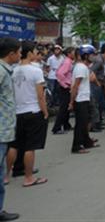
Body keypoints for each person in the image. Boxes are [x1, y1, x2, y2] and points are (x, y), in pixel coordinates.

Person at [4, 41, 49, 187]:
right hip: (33, 111)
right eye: (35, 51)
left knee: (14, 145)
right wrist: (45, 111)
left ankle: (5, 176)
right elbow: (40, 95)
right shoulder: (36, 71)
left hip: (17, 112)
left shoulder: (13, 70)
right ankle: (28, 177)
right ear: (29, 53)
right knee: (30, 146)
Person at [0, 38, 21, 221]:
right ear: (11, 53)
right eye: (19, 52)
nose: (20, 55)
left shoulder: (7, 71)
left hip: (5, 130)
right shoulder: (0, 71)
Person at [69, 45, 100, 154]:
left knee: (85, 121)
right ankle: (76, 146)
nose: (93, 57)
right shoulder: (81, 68)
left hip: (84, 98)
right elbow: (75, 86)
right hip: (80, 99)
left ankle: (87, 141)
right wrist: (71, 102)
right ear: (86, 56)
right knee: (80, 124)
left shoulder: (83, 67)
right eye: (91, 55)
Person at [89, 43, 105, 132]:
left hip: (100, 83)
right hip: (96, 84)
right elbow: (91, 71)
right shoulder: (99, 60)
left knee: (100, 104)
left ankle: (97, 122)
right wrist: (96, 81)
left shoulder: (101, 59)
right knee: (96, 104)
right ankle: (94, 125)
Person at [52, 47, 75, 134]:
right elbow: (59, 73)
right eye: (73, 52)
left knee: (67, 107)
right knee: (64, 107)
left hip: (65, 86)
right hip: (64, 87)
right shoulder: (67, 62)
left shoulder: (68, 61)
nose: (74, 54)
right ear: (69, 53)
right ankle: (56, 128)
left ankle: (66, 125)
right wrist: (65, 84)